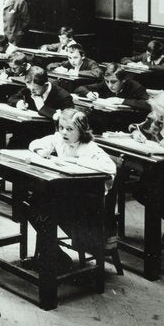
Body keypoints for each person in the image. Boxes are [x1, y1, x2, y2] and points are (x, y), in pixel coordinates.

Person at [25, 109, 117, 270]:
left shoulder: (90, 148)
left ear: (81, 130)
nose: (63, 132)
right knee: (32, 203)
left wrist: (78, 161)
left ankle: (52, 257)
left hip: (87, 205)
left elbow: (110, 168)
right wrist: (42, 151)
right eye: (61, 127)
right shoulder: (59, 139)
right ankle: (54, 254)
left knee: (40, 207)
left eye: (69, 129)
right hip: (67, 196)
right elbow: (35, 143)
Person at [128, 91, 164, 242]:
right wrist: (136, 134)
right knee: (141, 191)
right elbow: (136, 127)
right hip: (160, 166)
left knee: (158, 191)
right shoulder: (156, 115)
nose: (159, 118)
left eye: (162, 115)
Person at [75, 63, 151, 112]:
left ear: (123, 80)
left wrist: (122, 101)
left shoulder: (135, 87)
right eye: (107, 81)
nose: (109, 85)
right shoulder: (104, 84)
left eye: (113, 82)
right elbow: (79, 88)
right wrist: (88, 93)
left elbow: (149, 105)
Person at [9, 66, 74, 121]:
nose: (31, 92)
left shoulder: (64, 97)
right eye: (29, 88)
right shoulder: (30, 89)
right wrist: (19, 103)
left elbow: (67, 119)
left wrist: (42, 108)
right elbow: (12, 98)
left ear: (45, 85)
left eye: (35, 89)